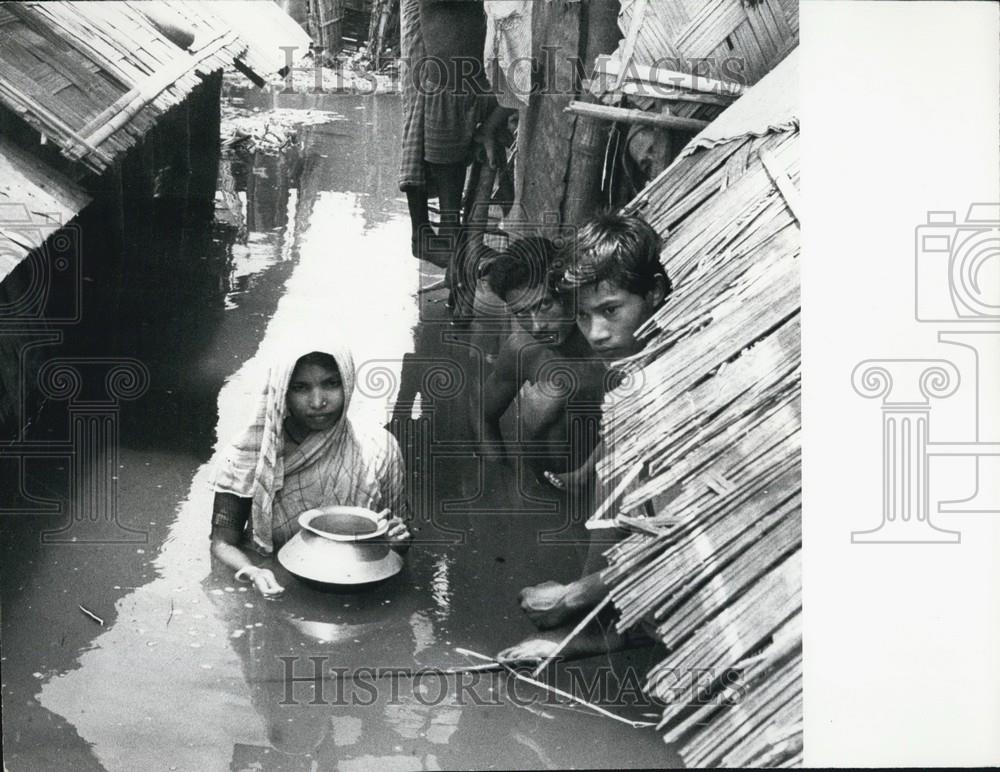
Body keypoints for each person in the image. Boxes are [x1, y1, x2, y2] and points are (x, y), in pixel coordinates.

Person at [498, 212, 671, 663]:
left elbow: (681, 539)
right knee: (609, 455)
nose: (595, 332)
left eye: (611, 310)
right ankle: (604, 618)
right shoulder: (631, 373)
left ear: (653, 294)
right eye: (582, 315)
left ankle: (600, 621)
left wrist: (571, 596)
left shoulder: (668, 387)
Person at [210, 338, 411, 596]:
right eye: (301, 387)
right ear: (283, 391)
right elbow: (222, 543)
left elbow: (400, 536)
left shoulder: (379, 447)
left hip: (358, 585)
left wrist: (397, 541)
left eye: (331, 384)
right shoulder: (249, 454)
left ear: (348, 382)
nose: (317, 402)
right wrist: (254, 572)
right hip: (277, 583)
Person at [477, 236, 605, 481]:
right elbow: (484, 415)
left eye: (544, 304)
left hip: (595, 485)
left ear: (567, 293)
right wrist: (498, 475)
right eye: (521, 313)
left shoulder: (606, 344)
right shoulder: (523, 350)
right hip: (538, 484)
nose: (536, 326)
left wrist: (582, 476)